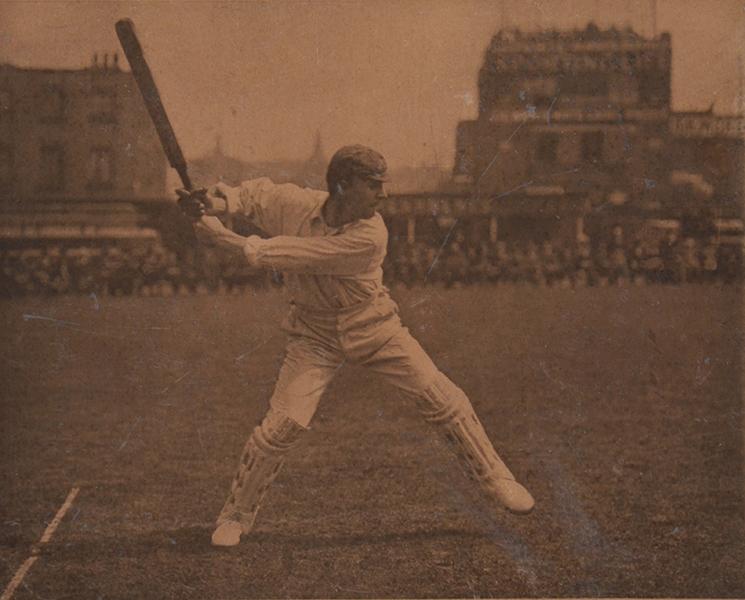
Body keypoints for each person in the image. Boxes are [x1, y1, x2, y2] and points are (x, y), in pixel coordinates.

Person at [177, 145, 534, 547]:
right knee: (281, 427)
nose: (384, 195)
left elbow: (298, 255)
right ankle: (236, 516)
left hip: (375, 326)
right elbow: (254, 196)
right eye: (374, 186)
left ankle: (497, 478)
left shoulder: (371, 234)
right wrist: (216, 201)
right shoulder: (295, 204)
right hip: (314, 335)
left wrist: (222, 236)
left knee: (441, 398)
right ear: (344, 186)